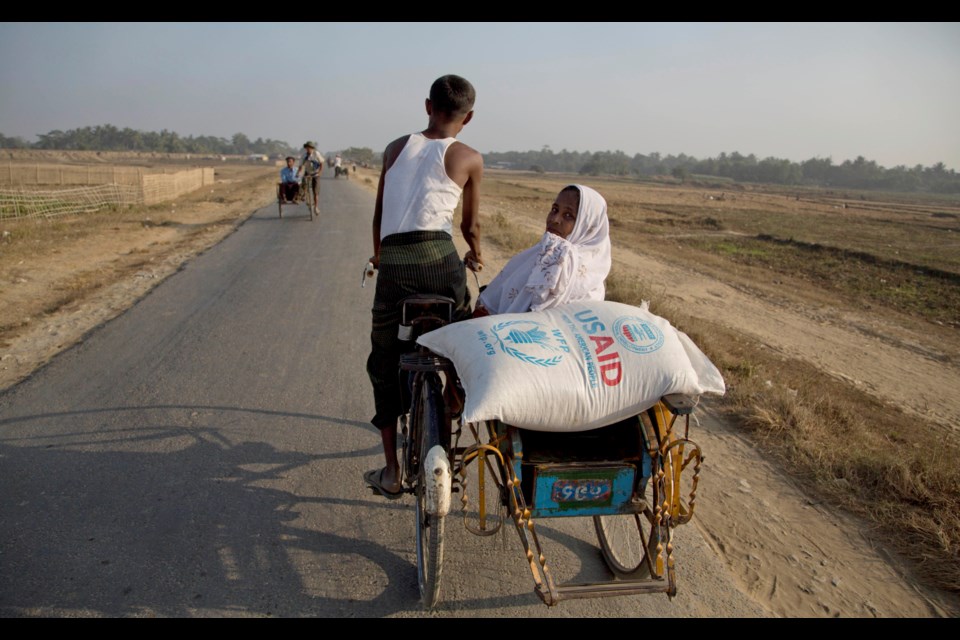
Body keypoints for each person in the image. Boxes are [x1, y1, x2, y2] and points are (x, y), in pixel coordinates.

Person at [364, 74, 483, 500]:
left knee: (384, 359)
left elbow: (379, 216)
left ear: (427, 106)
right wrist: (476, 252)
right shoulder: (469, 157)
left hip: (395, 266)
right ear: (467, 118)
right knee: (463, 330)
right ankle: (453, 397)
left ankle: (393, 471)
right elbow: (469, 226)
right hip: (440, 263)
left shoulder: (396, 148)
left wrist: (381, 258)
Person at [473, 184, 611, 317]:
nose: (555, 219)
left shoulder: (561, 262)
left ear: (588, 227)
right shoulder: (543, 254)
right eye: (555, 210)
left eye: (568, 215)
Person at [297, 141, 323, 212]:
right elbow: (300, 166)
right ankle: (303, 195)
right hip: (307, 173)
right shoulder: (304, 156)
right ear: (306, 148)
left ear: (312, 148)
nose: (309, 149)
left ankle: (316, 207)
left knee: (315, 192)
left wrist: (320, 172)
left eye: (310, 148)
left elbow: (321, 163)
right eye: (307, 148)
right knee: (303, 184)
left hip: (316, 174)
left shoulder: (316, 154)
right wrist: (298, 173)